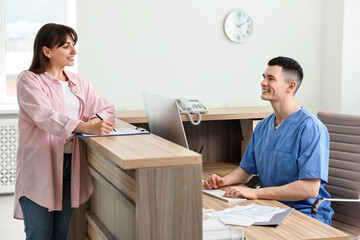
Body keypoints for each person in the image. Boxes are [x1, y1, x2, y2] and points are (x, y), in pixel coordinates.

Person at [203, 56, 334, 225]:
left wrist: (257, 193)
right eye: (263, 77)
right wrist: (223, 181)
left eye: (270, 78)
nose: (263, 82)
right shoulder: (263, 126)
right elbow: (246, 170)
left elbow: (309, 189)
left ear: (290, 86)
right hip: (270, 206)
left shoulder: (311, 128)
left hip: (305, 213)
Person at [13, 23, 115, 239]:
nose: (74, 51)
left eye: (73, 45)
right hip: (39, 166)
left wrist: (98, 121)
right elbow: (46, 116)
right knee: (39, 234)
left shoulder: (78, 82)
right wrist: (86, 126)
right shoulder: (29, 80)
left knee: (60, 234)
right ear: (47, 51)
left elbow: (106, 109)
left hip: (71, 165)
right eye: (66, 46)